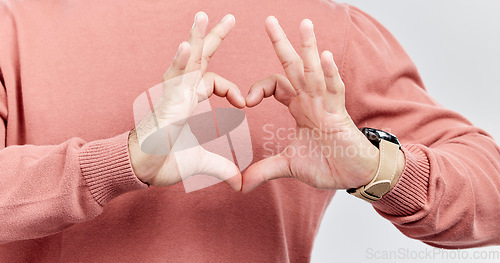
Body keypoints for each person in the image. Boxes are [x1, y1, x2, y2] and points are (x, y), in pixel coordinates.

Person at [0, 0, 498, 262]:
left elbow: (491, 192)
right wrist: (118, 163)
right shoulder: (13, 25)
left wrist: (375, 166)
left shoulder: (325, 35)